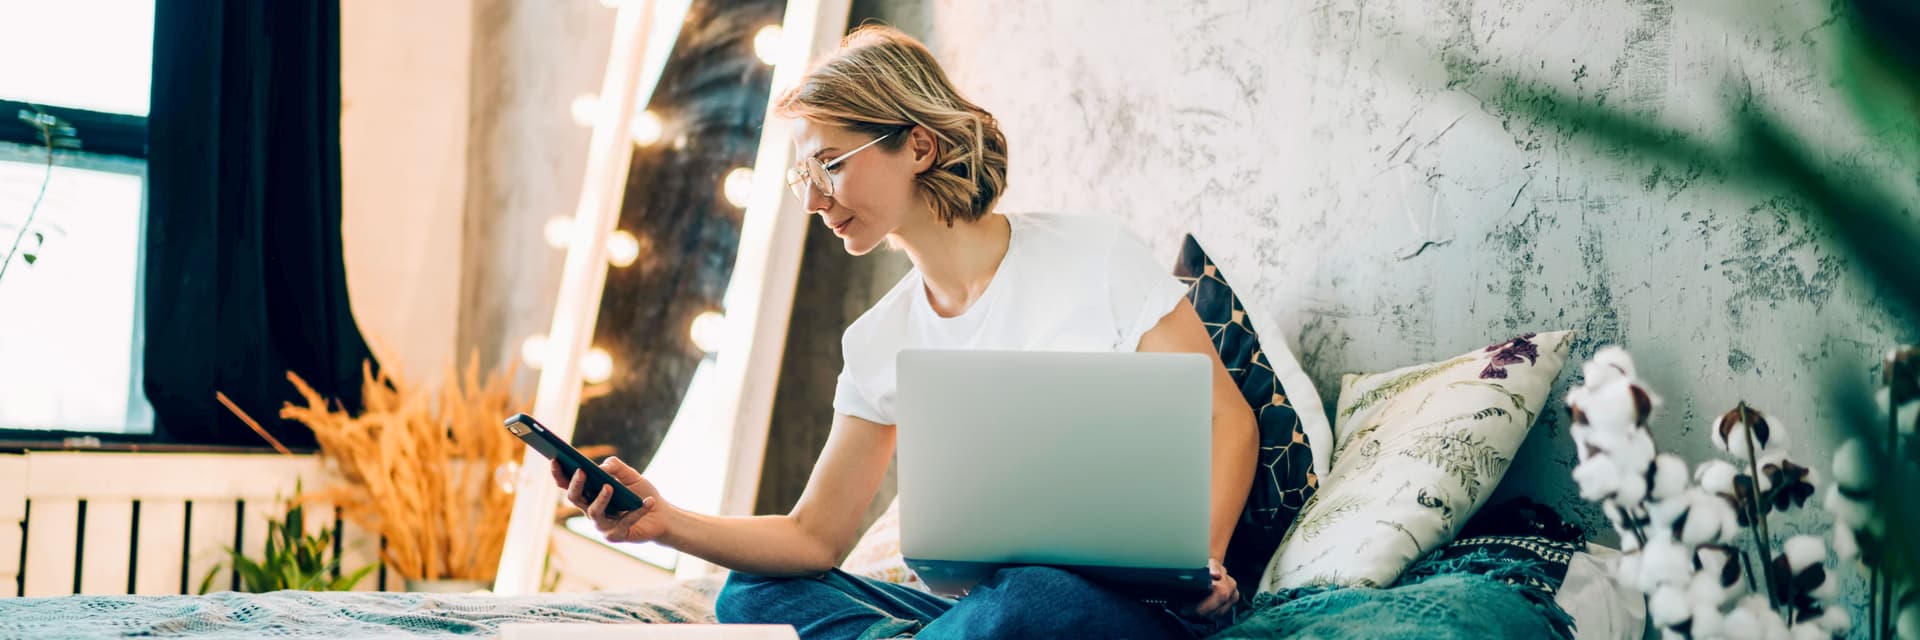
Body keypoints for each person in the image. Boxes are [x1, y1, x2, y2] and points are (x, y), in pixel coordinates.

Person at [553, 24, 1258, 640]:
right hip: (973, 613)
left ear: (917, 145)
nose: (816, 199)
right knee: (752, 593)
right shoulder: (877, 338)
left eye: (830, 163)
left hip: (1114, 608)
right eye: (805, 175)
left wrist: (1203, 568)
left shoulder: (1094, 256)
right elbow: (813, 536)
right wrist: (664, 520)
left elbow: (1228, 420)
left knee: (1031, 596)